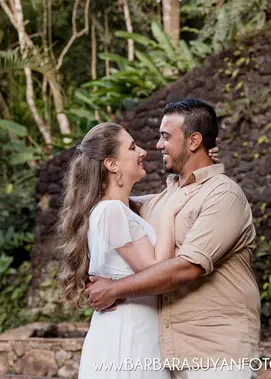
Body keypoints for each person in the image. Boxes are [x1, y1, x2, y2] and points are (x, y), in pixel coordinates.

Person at [85, 99, 261, 379]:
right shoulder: (164, 200)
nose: (157, 146)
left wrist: (114, 289)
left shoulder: (223, 195)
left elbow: (187, 267)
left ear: (194, 141)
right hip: (169, 355)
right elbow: (114, 206)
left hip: (216, 354)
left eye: (166, 137)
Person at [57, 122, 198, 379]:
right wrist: (169, 214)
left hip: (131, 330)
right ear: (112, 164)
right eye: (132, 147)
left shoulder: (116, 209)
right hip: (130, 338)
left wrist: (201, 162)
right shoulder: (112, 211)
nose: (143, 152)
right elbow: (157, 272)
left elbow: (165, 197)